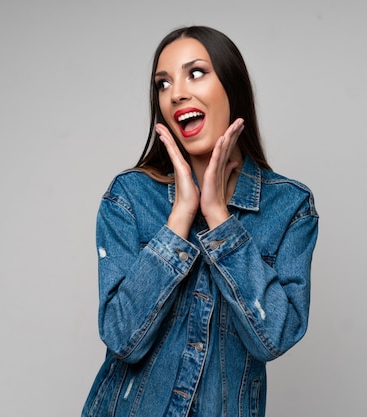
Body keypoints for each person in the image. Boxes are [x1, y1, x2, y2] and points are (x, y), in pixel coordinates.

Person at [82, 25, 318, 417]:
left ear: (232, 86)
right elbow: (122, 338)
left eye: (195, 73)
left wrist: (220, 221)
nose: (176, 93)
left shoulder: (290, 206)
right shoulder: (129, 197)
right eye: (163, 83)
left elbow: (274, 337)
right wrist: (179, 218)